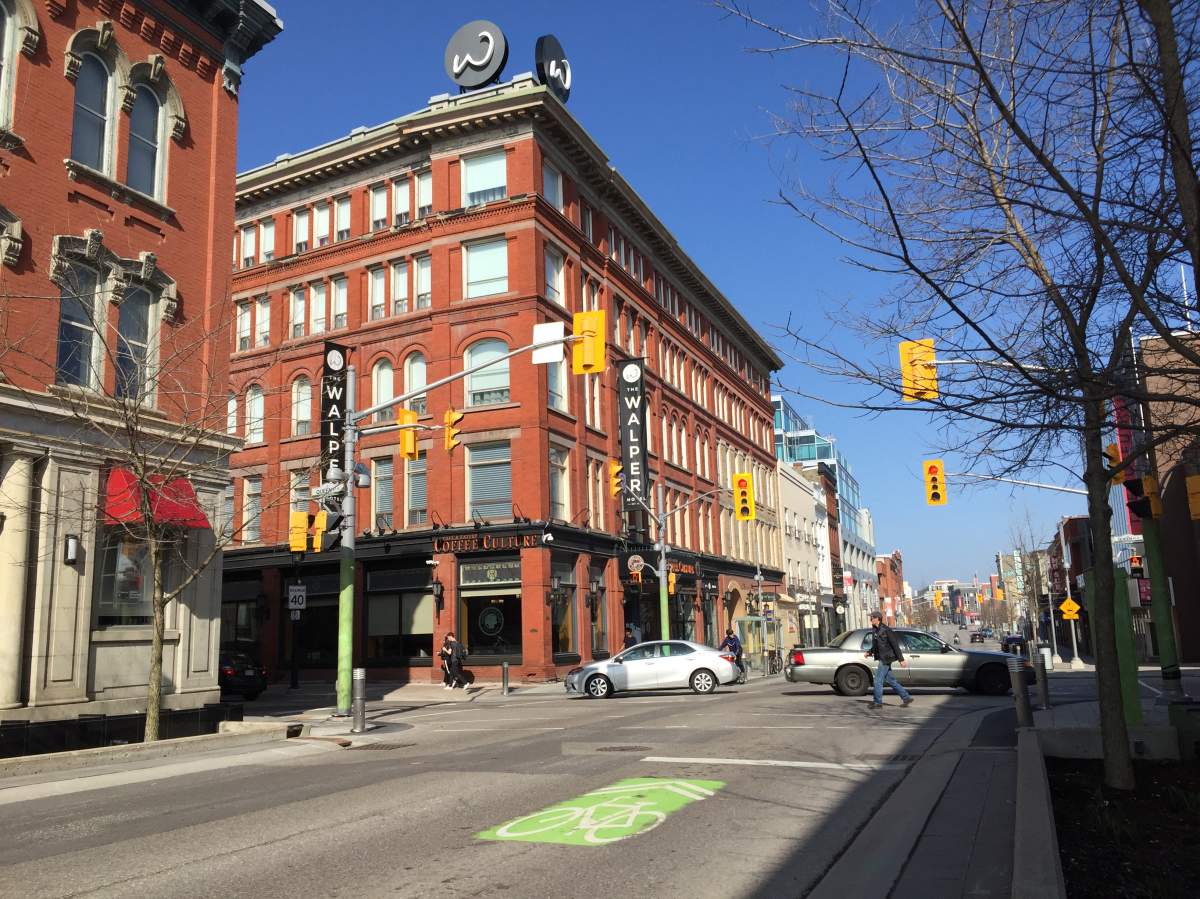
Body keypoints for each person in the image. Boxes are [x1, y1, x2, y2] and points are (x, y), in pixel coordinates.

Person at [864, 611, 913, 709]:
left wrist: (901, 660)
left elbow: (895, 645)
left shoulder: (886, 630)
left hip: (886, 658)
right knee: (890, 680)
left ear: (877, 618)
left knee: (877, 681)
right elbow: (876, 645)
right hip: (882, 656)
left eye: (872, 618)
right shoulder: (875, 630)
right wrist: (869, 652)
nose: (870, 620)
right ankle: (906, 697)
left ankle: (878, 702)